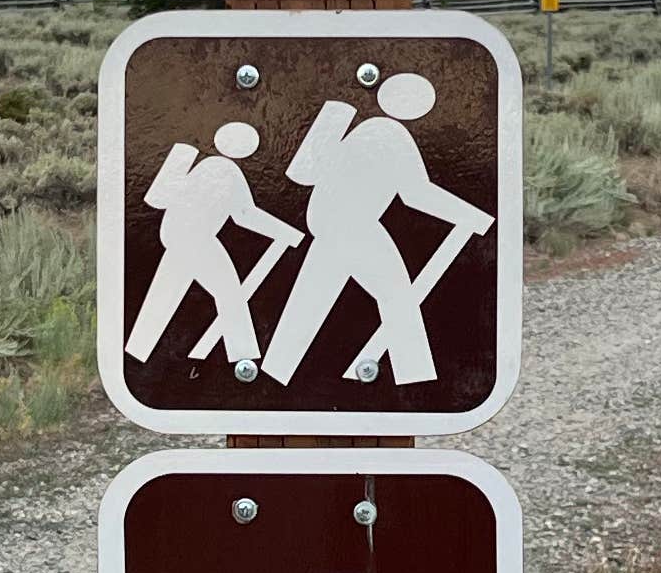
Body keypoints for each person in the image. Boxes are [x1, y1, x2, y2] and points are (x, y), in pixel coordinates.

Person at [260, 71, 491, 390]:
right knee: (398, 297)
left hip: (328, 225)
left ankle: (274, 376)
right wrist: (473, 217)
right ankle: (415, 380)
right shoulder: (391, 135)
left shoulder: (362, 131)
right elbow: (416, 194)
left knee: (309, 300)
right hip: (355, 227)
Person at [126, 117, 301, 372]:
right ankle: (243, 356)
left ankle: (137, 353)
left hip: (178, 238)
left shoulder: (205, 166)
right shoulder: (226, 172)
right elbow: (244, 215)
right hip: (196, 240)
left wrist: (285, 233)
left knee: (164, 295)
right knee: (229, 292)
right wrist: (287, 233)